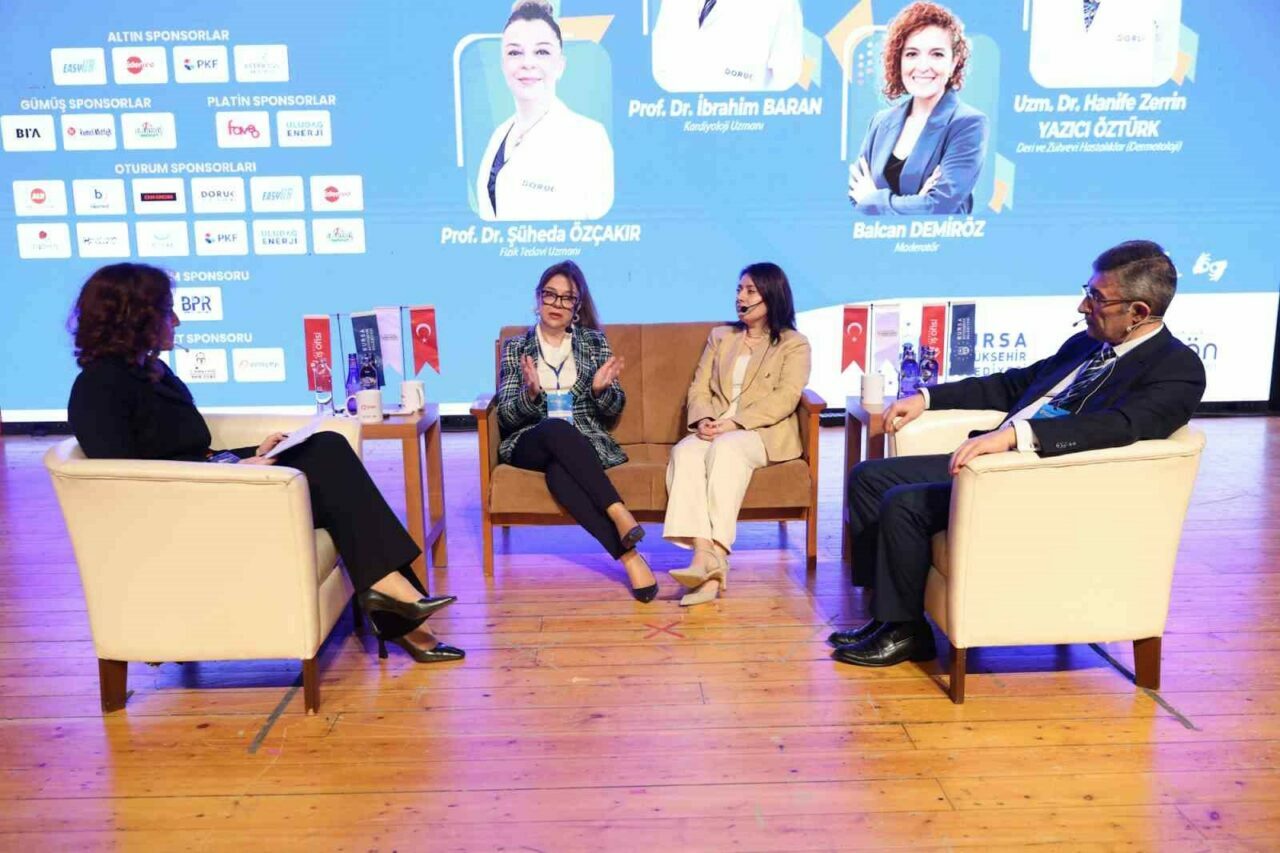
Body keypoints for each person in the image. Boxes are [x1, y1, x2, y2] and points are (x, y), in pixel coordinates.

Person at [65, 263, 464, 665]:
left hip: (208, 487)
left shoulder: (152, 371)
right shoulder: (97, 388)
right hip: (181, 515)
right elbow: (129, 484)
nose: (178, 321)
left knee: (327, 445)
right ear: (135, 317)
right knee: (329, 466)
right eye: (168, 311)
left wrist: (248, 455)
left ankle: (395, 598)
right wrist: (231, 472)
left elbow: (186, 451)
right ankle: (399, 605)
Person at [833, 241, 1207, 667]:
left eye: (1097, 298)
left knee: (905, 505)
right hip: (996, 467)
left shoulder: (1177, 369)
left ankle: (903, 631)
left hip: (1048, 481)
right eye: (1087, 291)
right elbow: (1013, 384)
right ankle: (889, 615)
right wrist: (927, 397)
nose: (1083, 306)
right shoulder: (1087, 344)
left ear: (1138, 312)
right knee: (869, 478)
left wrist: (1016, 436)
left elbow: (1121, 425)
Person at [497, 260, 658, 601]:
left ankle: (630, 558)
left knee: (560, 475)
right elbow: (507, 417)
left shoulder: (594, 343)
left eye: (566, 298)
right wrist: (530, 394)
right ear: (538, 298)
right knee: (554, 429)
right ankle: (619, 511)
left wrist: (601, 390)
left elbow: (615, 407)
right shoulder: (516, 347)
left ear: (577, 306)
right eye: (550, 295)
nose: (557, 304)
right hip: (530, 440)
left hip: (580, 443)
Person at [663, 263, 811, 606]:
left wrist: (735, 423)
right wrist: (703, 419)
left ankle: (718, 553)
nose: (740, 297)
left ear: (771, 296)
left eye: (750, 291)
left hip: (761, 431)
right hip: (717, 425)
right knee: (685, 451)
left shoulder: (794, 344)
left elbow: (786, 397)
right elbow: (699, 387)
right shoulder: (720, 337)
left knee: (727, 449)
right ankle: (703, 557)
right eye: (738, 289)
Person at [475, 0, 614, 221]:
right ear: (503, 65)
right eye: (514, 53)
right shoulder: (498, 136)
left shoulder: (589, 137)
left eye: (541, 52)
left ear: (560, 65)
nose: (527, 63)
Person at [847, 1, 988, 216]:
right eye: (912, 54)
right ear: (899, 61)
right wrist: (915, 202)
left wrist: (874, 199)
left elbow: (937, 207)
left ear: (954, 63)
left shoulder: (968, 123)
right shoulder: (881, 121)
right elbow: (855, 196)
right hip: (875, 239)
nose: (923, 66)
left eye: (937, 54)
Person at [651, 0, 804, 93]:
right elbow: (661, 66)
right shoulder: (673, 3)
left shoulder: (781, 3)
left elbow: (789, 81)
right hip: (678, 126)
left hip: (743, 126)